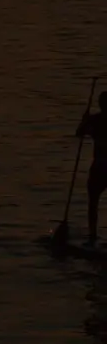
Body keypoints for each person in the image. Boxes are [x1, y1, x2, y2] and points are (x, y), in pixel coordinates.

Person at [76, 92, 107, 244]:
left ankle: (92, 235)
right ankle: (92, 235)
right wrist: (85, 122)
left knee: (93, 202)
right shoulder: (94, 120)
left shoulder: (95, 120)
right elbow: (80, 133)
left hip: (100, 166)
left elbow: (79, 133)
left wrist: (84, 122)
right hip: (100, 166)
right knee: (93, 201)